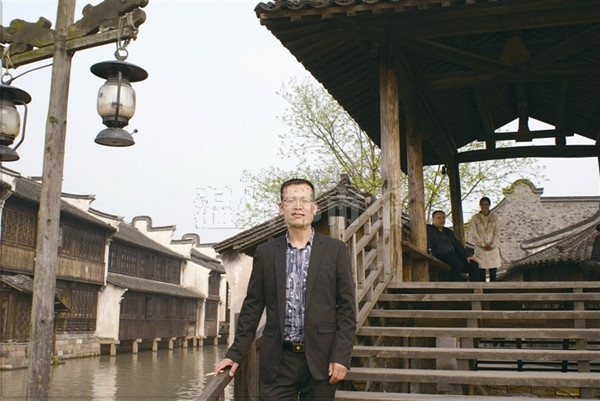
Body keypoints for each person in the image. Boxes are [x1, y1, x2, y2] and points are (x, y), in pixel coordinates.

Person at [214, 178, 356, 401]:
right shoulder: (266, 252)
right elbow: (252, 307)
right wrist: (235, 353)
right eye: (291, 200)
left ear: (314, 207)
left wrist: (341, 356)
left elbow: (347, 308)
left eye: (304, 200)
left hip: (322, 359)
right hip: (278, 361)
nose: (298, 206)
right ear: (281, 208)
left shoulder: (335, 250)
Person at [426, 210, 481, 281]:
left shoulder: (448, 231)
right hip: (440, 254)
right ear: (433, 219)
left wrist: (467, 255)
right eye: (438, 218)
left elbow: (457, 244)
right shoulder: (429, 229)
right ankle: (455, 285)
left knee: (473, 264)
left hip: (453, 254)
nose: (441, 220)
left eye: (443, 218)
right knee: (457, 264)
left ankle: (475, 286)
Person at [470, 196, 501, 281]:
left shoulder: (495, 218)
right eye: (482, 204)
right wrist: (482, 244)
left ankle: (493, 289)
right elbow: (474, 233)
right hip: (480, 249)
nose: (484, 206)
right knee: (481, 273)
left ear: (489, 205)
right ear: (480, 205)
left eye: (486, 204)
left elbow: (497, 233)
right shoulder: (475, 218)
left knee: (493, 274)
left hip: (492, 249)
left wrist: (493, 244)